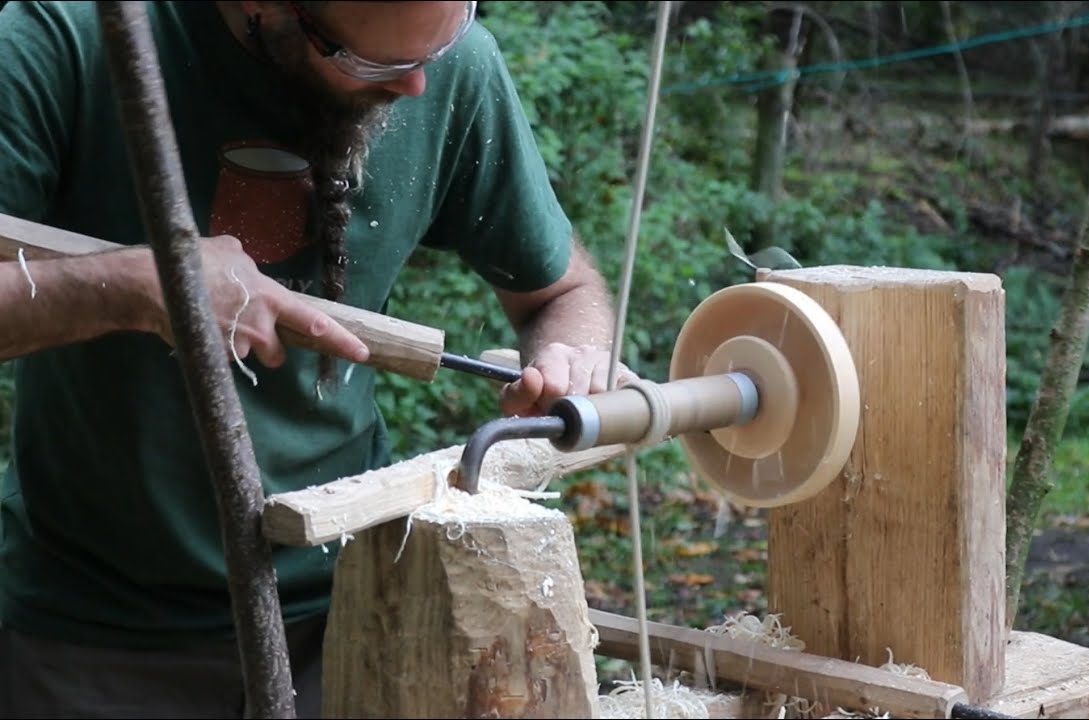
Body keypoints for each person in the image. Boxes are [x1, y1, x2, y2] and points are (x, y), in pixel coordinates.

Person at [0, 1, 636, 716]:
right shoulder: (69, 35)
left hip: (355, 606)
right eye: (375, 65)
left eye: (442, 45)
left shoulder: (443, 61)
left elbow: (564, 291)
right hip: (96, 635)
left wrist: (571, 357)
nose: (416, 87)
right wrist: (140, 285)